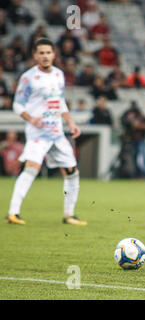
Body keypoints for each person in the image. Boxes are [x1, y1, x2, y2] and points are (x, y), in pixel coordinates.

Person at [5, 38, 86, 226]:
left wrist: (70, 122)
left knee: (72, 172)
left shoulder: (58, 74)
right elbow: (17, 105)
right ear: (35, 55)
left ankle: (69, 215)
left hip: (56, 133)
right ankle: (13, 213)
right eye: (41, 53)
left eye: (48, 52)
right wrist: (31, 118)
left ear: (54, 54)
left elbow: (60, 101)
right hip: (37, 133)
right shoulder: (28, 77)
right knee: (31, 169)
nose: (45, 56)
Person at [120, 101, 145, 178]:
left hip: (141, 139)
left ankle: (144, 174)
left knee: (143, 158)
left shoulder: (141, 116)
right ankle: (136, 174)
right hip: (132, 139)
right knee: (134, 158)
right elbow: (123, 121)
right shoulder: (128, 115)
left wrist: (137, 125)